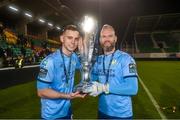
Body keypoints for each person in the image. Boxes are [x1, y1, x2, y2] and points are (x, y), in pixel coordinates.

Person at [83, 24, 138, 119]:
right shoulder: (98, 60)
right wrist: (87, 69)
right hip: (102, 111)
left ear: (115, 38)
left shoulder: (126, 59)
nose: (107, 39)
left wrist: (104, 88)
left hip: (121, 114)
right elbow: (92, 79)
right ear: (100, 39)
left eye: (110, 36)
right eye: (104, 36)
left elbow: (132, 88)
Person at [37, 25, 85, 119]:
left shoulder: (74, 57)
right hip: (52, 114)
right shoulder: (49, 62)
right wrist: (67, 96)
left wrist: (83, 52)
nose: (73, 42)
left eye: (76, 39)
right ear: (62, 38)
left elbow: (85, 68)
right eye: (69, 37)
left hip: (67, 109)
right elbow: (41, 92)